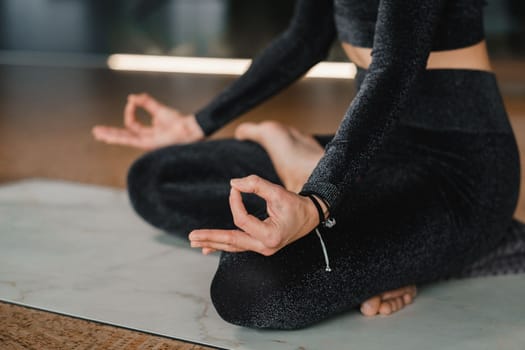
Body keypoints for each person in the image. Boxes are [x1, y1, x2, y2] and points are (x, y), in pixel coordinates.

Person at [93, 0, 524, 329]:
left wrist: (318, 199)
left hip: (458, 174)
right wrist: (195, 125)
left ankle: (417, 235)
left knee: (251, 287)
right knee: (155, 179)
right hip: (367, 151)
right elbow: (305, 39)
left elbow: (393, 68)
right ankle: (337, 194)